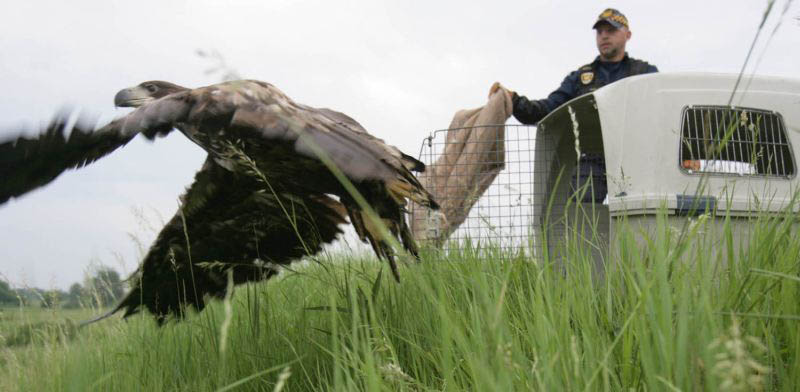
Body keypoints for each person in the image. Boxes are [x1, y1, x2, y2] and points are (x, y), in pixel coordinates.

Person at [491, 8, 658, 124]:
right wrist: (513, 99)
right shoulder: (579, 78)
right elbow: (546, 111)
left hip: (634, 157)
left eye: (611, 30)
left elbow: (663, 112)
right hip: (590, 161)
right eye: (600, 32)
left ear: (627, 35)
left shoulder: (644, 73)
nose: (604, 36)